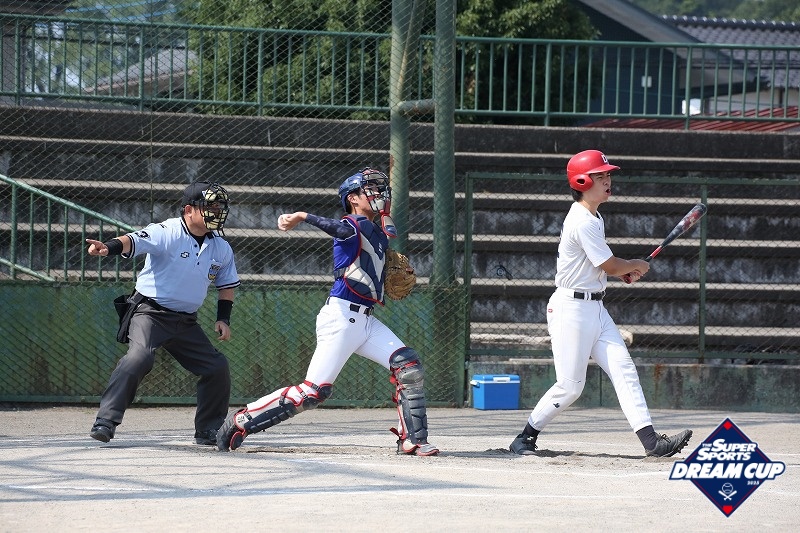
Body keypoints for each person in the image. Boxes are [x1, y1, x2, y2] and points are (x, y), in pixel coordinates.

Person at [216, 167, 439, 456]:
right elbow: (340, 230)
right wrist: (302, 216)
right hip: (341, 318)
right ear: (352, 198)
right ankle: (242, 420)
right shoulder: (352, 225)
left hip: (366, 320)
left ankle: (413, 440)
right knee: (312, 392)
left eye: (379, 189)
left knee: (407, 366)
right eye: (370, 189)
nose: (378, 194)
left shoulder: (377, 234)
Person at [508, 150, 692, 458]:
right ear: (582, 182)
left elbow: (598, 267)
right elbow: (608, 264)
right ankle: (525, 437)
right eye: (600, 176)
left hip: (595, 308)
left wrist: (624, 271)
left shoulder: (594, 216)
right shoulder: (582, 220)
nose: (608, 181)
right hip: (571, 309)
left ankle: (652, 443)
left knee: (624, 369)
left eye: (608, 175)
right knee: (571, 386)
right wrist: (633, 265)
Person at [86, 181, 240, 446]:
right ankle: (105, 422)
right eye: (210, 206)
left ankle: (208, 430)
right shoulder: (167, 231)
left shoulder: (221, 247)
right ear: (189, 210)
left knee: (216, 367)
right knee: (139, 357)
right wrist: (108, 247)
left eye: (219, 206)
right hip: (150, 313)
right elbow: (133, 240)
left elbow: (226, 286)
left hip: (186, 321)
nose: (217, 211)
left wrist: (223, 318)